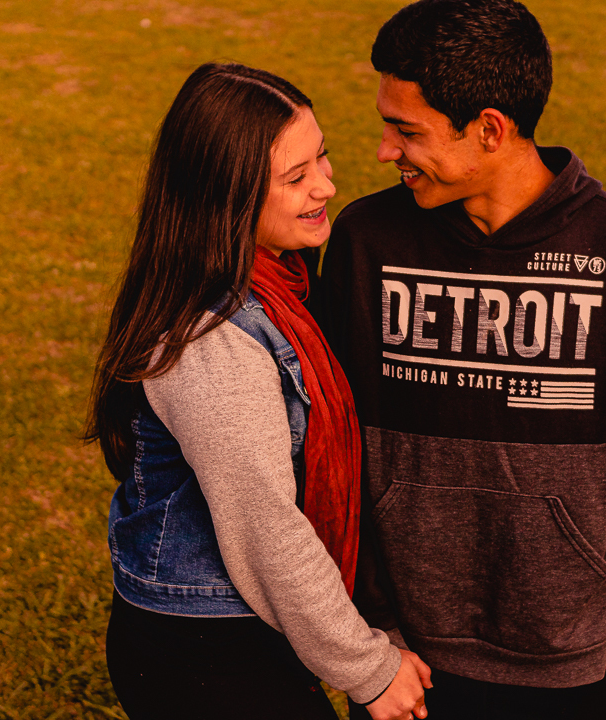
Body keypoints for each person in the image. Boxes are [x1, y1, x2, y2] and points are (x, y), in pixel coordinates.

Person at [316, 2, 606, 718]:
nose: (385, 151)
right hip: (403, 658)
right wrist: (371, 621)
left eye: (408, 131)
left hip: (568, 658)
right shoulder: (368, 242)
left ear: (490, 129)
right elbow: (330, 443)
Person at [85, 62, 432, 719]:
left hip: (237, 634)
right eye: (295, 178)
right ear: (226, 197)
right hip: (204, 650)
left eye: (321, 157)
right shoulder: (215, 340)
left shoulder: (279, 282)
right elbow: (265, 529)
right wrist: (369, 668)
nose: (326, 185)